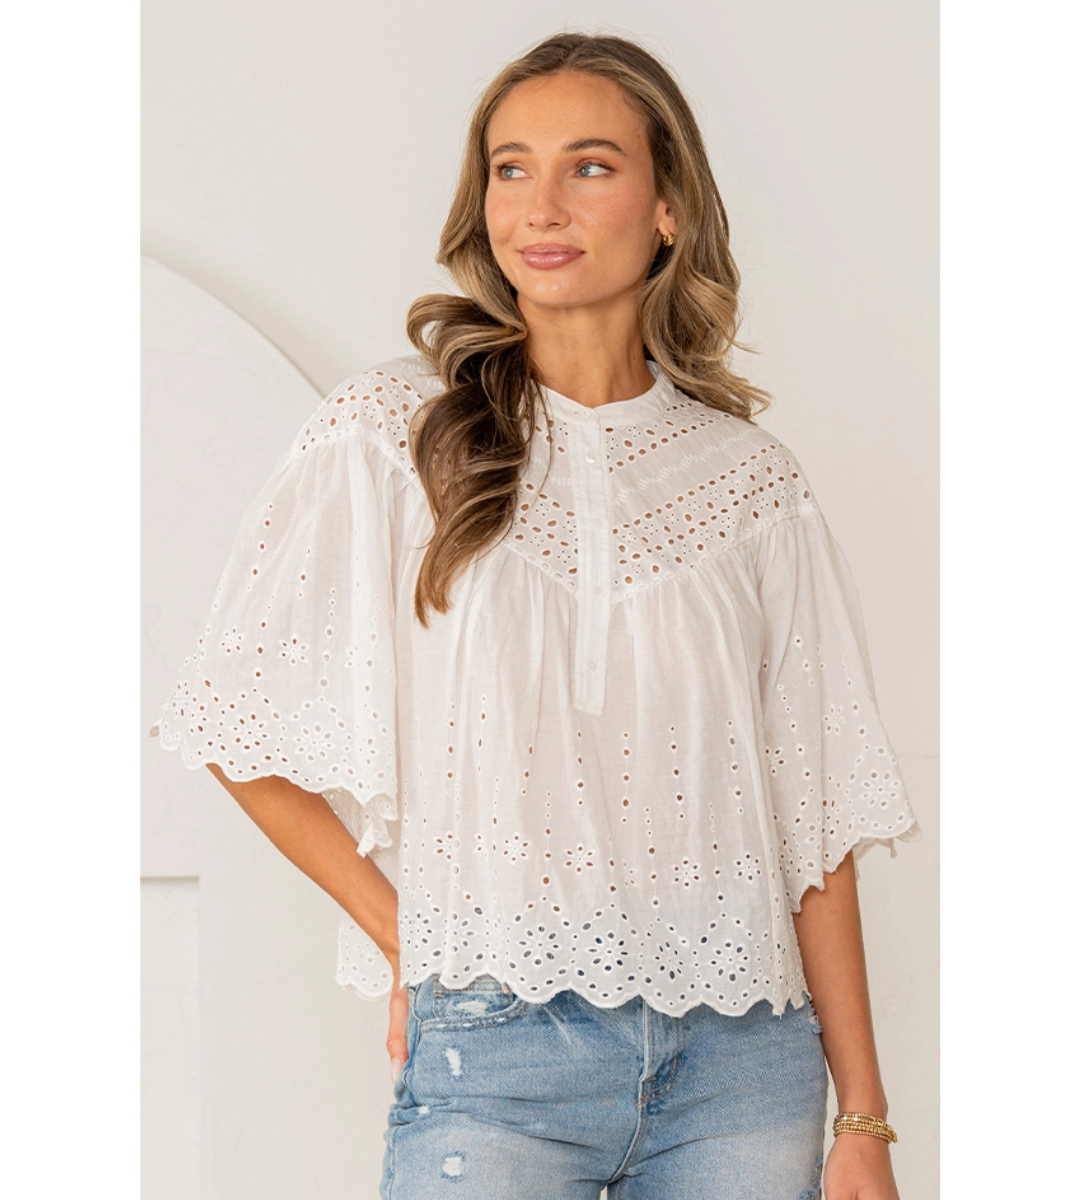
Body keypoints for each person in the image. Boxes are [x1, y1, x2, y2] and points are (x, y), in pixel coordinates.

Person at [154, 31, 920, 1200]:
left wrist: (863, 1117)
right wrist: (407, 935)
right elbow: (234, 721)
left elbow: (813, 825)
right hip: (494, 1052)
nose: (541, 206)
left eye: (590, 166)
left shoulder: (750, 481)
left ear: (669, 209)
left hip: (743, 1070)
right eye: (511, 168)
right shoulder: (391, 432)